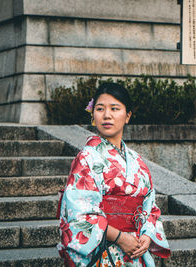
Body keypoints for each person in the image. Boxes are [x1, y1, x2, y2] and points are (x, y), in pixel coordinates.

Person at [57, 82, 171, 266]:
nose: (107, 115)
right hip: (104, 249)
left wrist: (147, 236)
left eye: (114, 108)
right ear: (93, 114)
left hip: (135, 249)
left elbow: (150, 208)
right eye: (100, 109)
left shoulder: (137, 161)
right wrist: (120, 238)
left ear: (128, 116)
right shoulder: (86, 158)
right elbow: (80, 213)